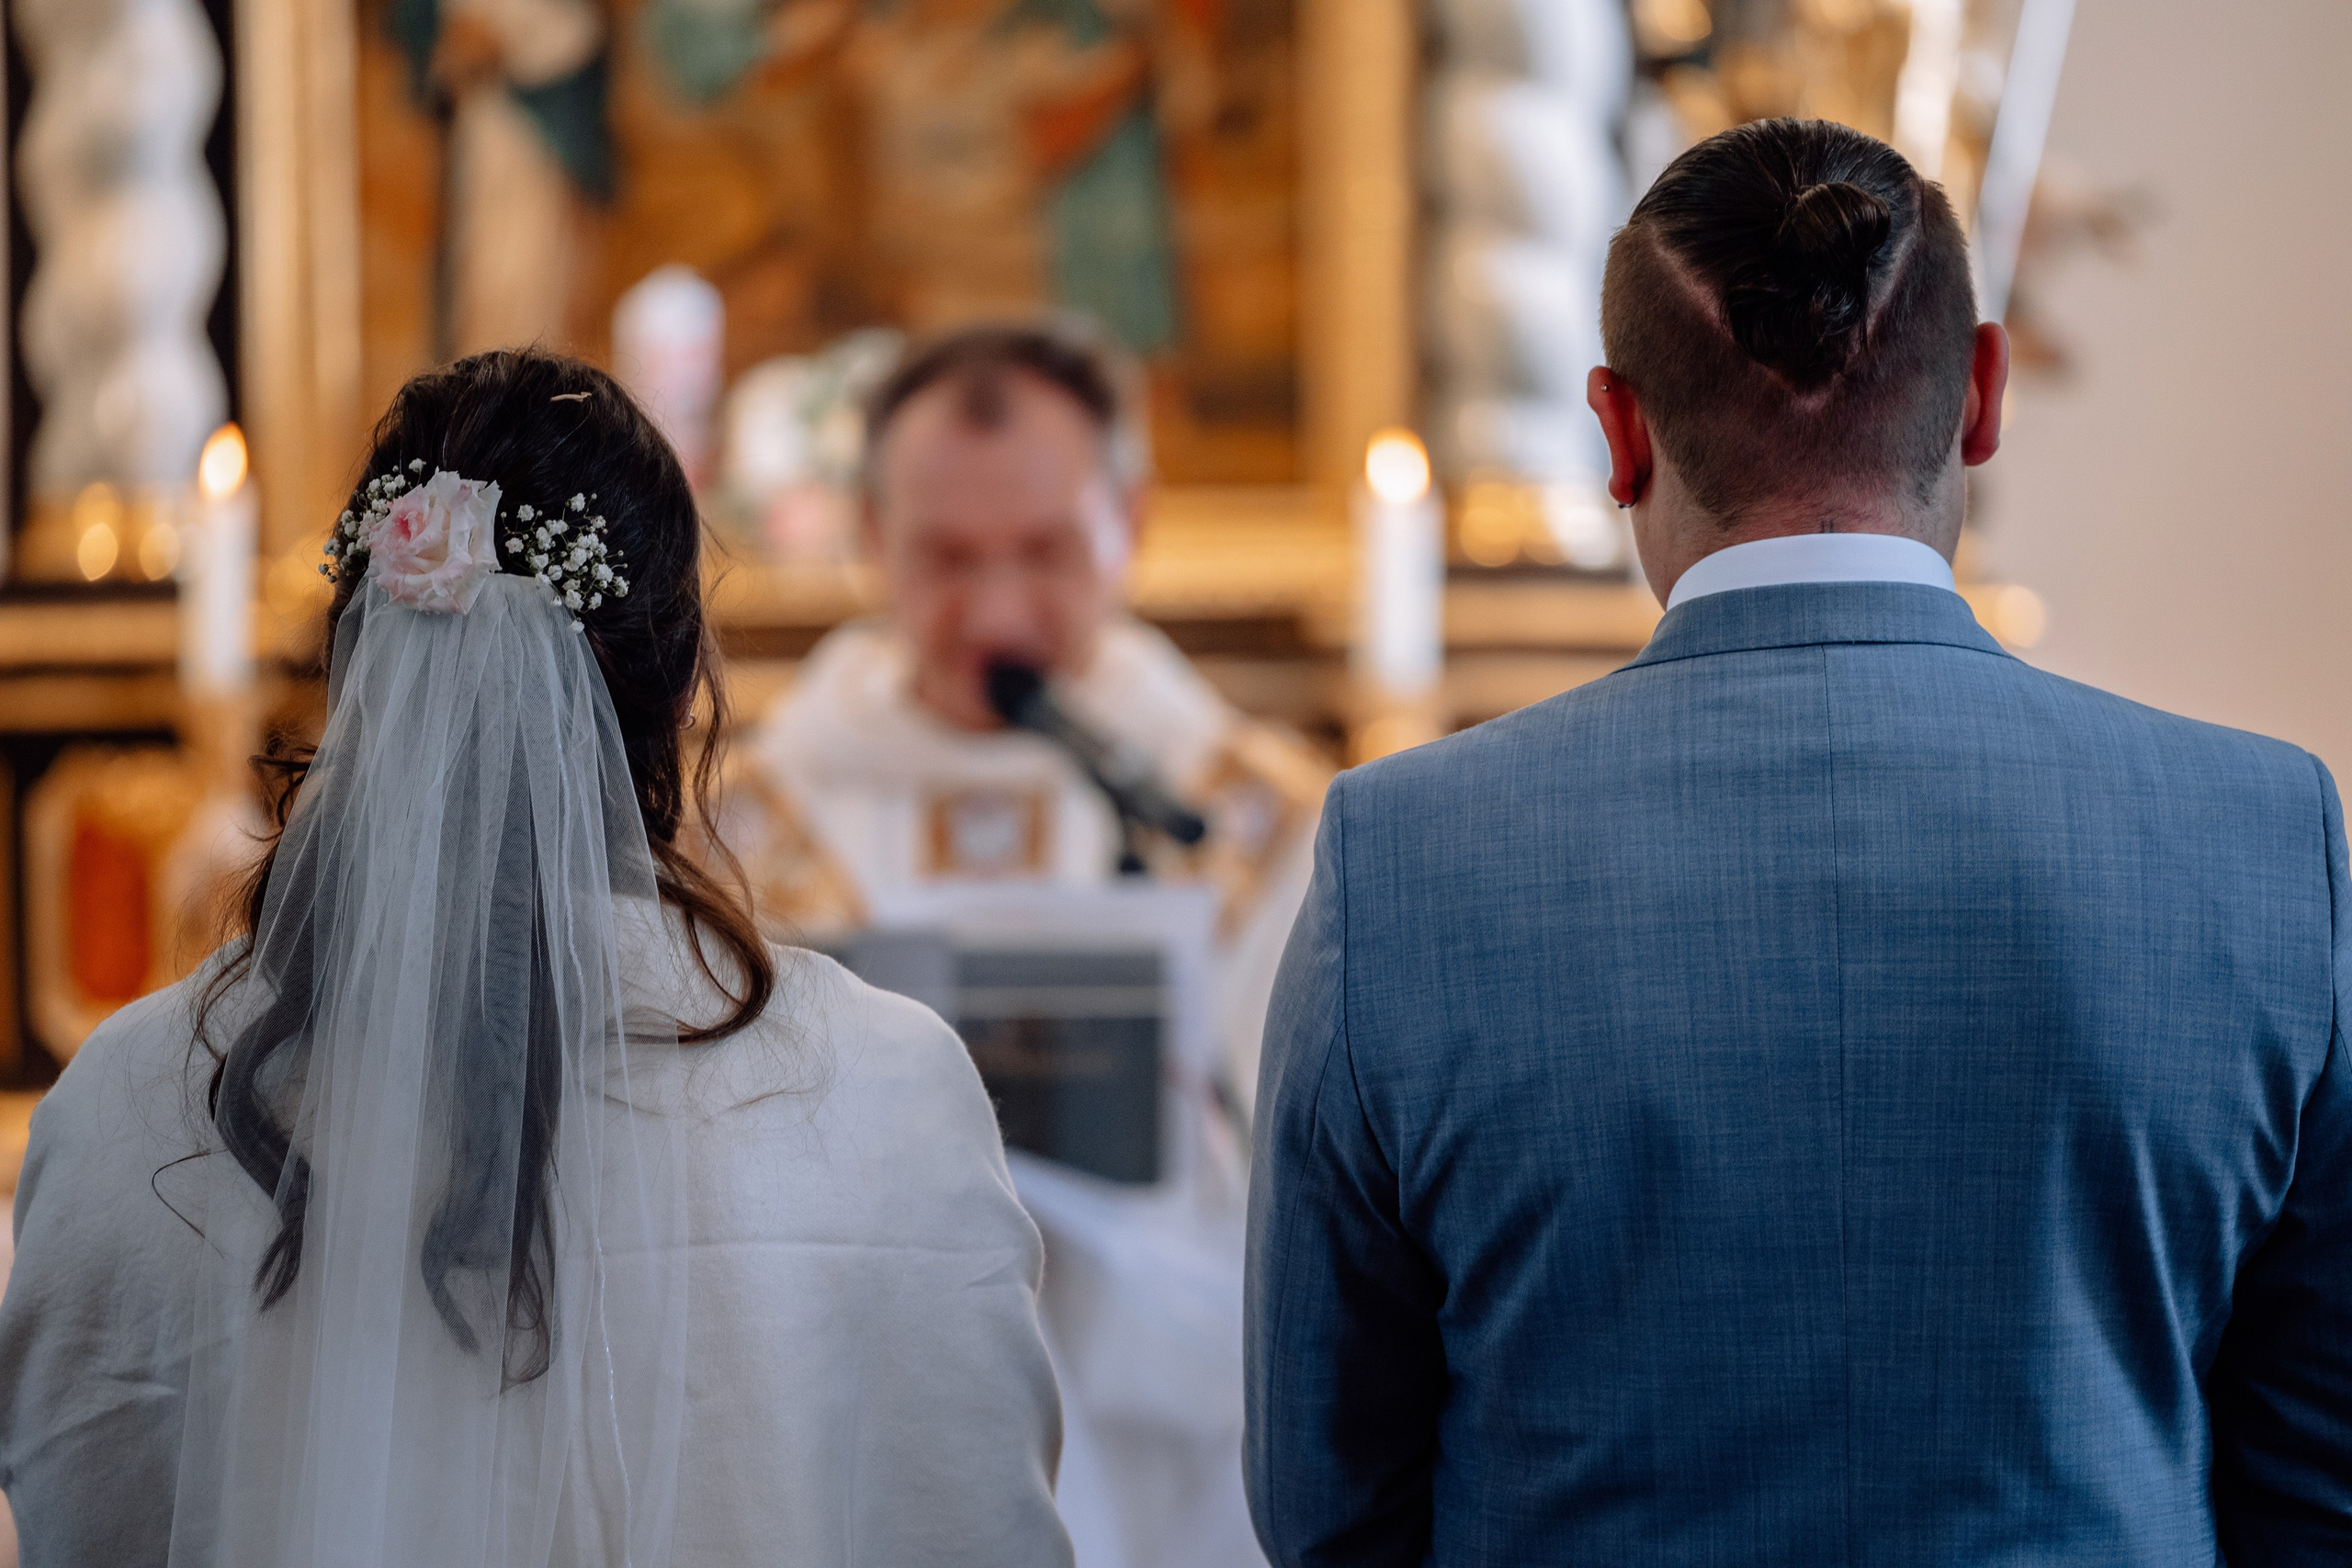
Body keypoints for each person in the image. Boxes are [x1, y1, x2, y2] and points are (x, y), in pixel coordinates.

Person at [1246, 118, 2352, 1565]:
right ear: (1981, 396)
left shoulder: (1400, 858)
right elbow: (2319, 1481)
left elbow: (1333, 1501)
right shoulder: (2266, 835)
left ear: (1620, 430)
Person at [0, 350, 1072, 1567]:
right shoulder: (889, 1096)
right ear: (681, 705)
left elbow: (89, 1526)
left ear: (358, 683)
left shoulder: (123, 1106)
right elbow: (978, 1532)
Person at [727, 321, 1324, 1568]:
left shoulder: (1248, 818)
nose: (998, 612)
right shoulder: (745, 822)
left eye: (1045, 552)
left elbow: (1329, 1184)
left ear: (1131, 522)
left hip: (1170, 1415)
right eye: (947, 558)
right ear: (871, 540)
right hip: (846, 1396)